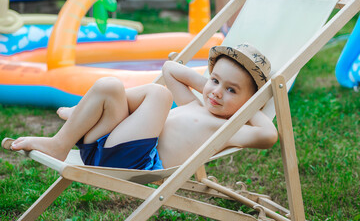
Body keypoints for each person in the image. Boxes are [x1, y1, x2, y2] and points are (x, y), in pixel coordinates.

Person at [2, 44, 278, 169]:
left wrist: (252, 106)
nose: (216, 92)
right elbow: (171, 69)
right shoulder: (195, 104)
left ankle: (82, 114)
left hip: (136, 163)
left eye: (231, 90)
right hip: (108, 148)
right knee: (110, 85)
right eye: (215, 81)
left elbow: (268, 136)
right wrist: (208, 82)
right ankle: (61, 142)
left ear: (248, 100)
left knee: (159, 95)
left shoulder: (226, 128)